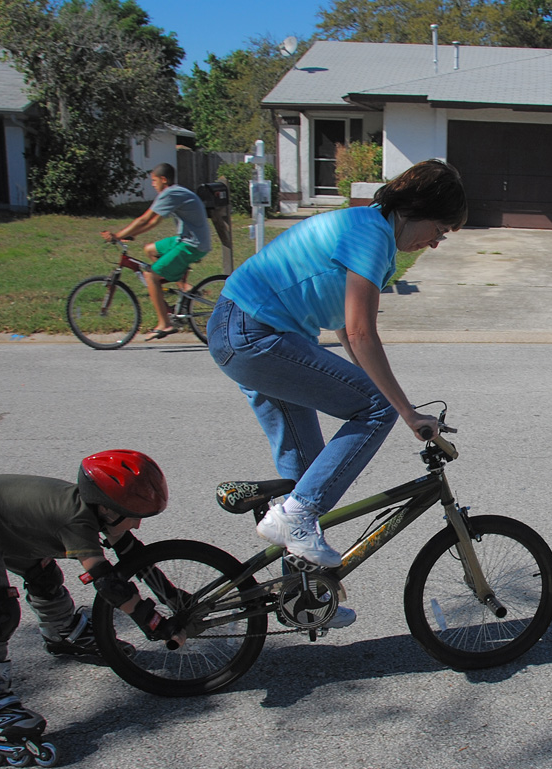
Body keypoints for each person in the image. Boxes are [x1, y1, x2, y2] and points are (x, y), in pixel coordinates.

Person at [207, 159, 466, 627]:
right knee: (373, 410)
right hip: (253, 332)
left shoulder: (372, 236)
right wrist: (404, 412)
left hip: (246, 331)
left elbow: (347, 335)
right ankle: (298, 517)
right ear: (416, 209)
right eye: (440, 229)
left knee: (305, 475)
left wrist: (393, 400)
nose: (436, 241)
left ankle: (300, 599)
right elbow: (361, 332)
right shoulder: (370, 234)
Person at [0, 450, 184, 748]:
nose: (138, 525)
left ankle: (64, 634)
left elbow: (134, 556)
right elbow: (109, 585)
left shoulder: (96, 507)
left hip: (4, 521)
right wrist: (155, 624)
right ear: (108, 508)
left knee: (45, 577)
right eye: (134, 517)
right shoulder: (76, 521)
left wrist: (174, 597)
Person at [101, 162, 213, 342]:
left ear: (163, 179)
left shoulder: (171, 193)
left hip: (193, 244)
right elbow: (153, 222)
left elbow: (145, 218)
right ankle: (181, 288)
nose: (152, 184)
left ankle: (165, 324)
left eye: (154, 180)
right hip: (184, 240)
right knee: (150, 250)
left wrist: (117, 235)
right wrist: (130, 235)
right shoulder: (174, 193)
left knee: (150, 276)